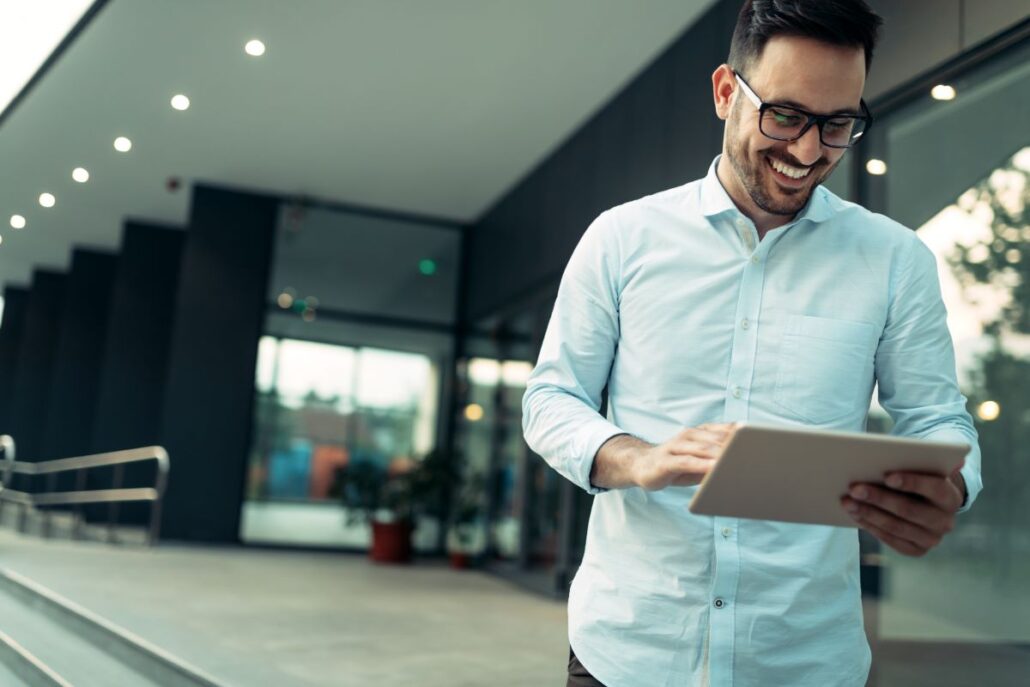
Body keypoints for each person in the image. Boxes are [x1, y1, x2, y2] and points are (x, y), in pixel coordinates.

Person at [521, 1, 983, 685]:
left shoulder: (895, 261)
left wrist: (950, 486)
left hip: (805, 660)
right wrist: (637, 458)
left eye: (838, 125)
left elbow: (940, 419)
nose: (807, 151)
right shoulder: (622, 239)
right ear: (725, 92)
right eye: (787, 116)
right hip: (630, 651)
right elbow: (551, 399)